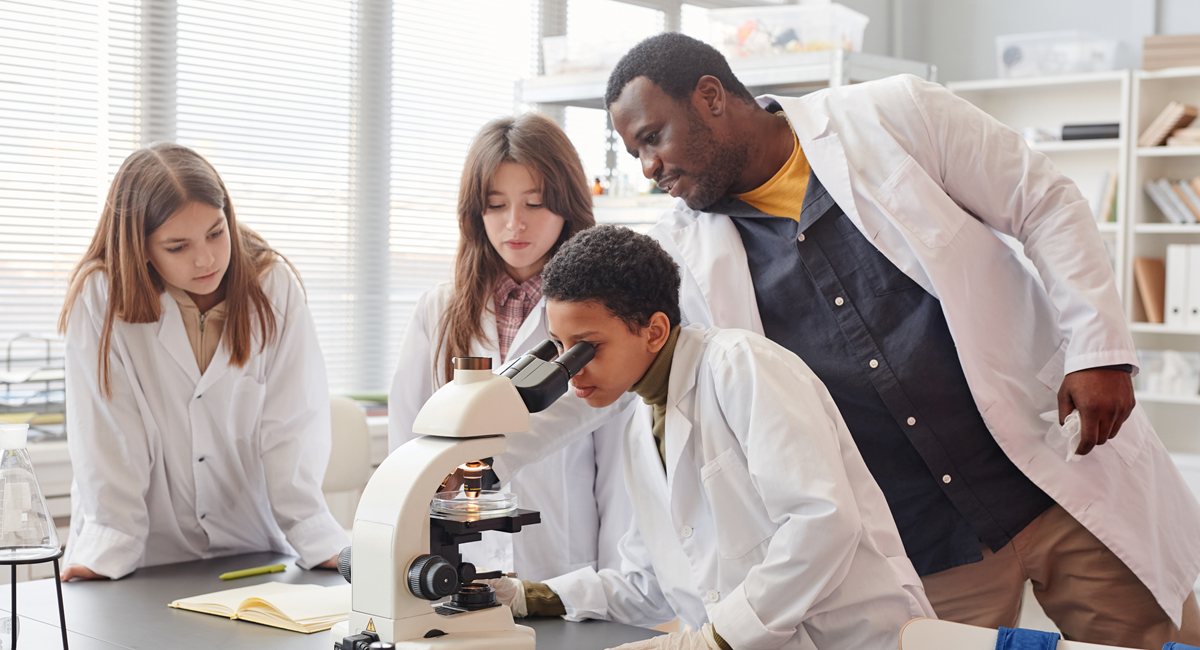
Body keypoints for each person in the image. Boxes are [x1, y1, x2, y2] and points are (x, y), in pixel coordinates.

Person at [601, 32, 1200, 646]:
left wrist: (1099, 351)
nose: (649, 168)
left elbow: (1043, 203)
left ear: (710, 97)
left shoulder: (892, 114)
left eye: (653, 137)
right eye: (634, 152)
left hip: (1054, 472)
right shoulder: (679, 255)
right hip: (921, 542)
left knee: (1152, 640)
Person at [488, 225, 931, 650]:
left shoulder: (742, 367)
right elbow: (651, 583)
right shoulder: (643, 422)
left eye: (587, 347)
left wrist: (715, 640)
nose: (570, 369)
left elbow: (823, 523)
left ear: (655, 331)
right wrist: (528, 596)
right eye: (558, 345)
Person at [58, 143, 348, 581]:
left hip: (251, 549)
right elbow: (107, 433)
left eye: (216, 232)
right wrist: (110, 542)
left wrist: (313, 532)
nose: (206, 258)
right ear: (141, 247)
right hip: (142, 558)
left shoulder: (273, 285)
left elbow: (291, 425)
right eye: (178, 246)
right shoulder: (101, 295)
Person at [388, 113, 633, 582]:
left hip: (567, 566)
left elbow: (619, 469)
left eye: (535, 203)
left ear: (567, 205)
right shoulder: (438, 309)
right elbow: (408, 440)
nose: (514, 224)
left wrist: (615, 582)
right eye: (496, 205)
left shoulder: (600, 315)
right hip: (455, 563)